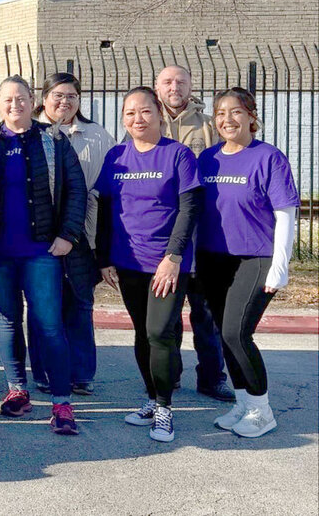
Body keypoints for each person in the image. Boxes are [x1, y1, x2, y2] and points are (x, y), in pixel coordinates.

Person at [0, 75, 91, 436]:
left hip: (42, 251)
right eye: (7, 100)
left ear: (33, 101)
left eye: (21, 98)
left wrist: (68, 234)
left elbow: (76, 189)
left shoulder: (53, 139)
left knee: (49, 324)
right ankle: (17, 391)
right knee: (8, 320)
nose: (15, 105)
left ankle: (61, 403)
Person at [96, 86, 201, 443]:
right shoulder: (116, 156)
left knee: (159, 332)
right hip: (128, 262)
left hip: (167, 263)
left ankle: (165, 408)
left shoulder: (178, 155)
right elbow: (107, 211)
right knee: (142, 332)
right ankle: (153, 399)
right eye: (130, 113)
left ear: (158, 114)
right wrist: (104, 259)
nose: (137, 119)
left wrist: (174, 257)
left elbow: (189, 209)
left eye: (144, 111)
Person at [196, 88, 299, 438]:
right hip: (213, 259)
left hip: (256, 257)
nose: (227, 119)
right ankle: (243, 403)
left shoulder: (268, 157)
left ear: (252, 116)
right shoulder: (208, 159)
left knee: (236, 332)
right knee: (224, 335)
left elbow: (285, 213)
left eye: (236, 112)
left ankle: (262, 410)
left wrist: (280, 265)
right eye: (220, 113)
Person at [28, 72, 116, 395]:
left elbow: (107, 191)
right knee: (42, 306)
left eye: (72, 96)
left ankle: (81, 373)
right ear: (44, 98)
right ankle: (43, 371)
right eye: (58, 95)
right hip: (40, 234)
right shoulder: (29, 132)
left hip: (83, 235)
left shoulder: (97, 136)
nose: (64, 102)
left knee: (80, 304)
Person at [155, 65, 233, 402]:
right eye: (168, 82)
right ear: (157, 87)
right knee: (167, 313)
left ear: (190, 86)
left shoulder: (208, 125)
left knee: (206, 312)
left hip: (203, 232)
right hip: (161, 232)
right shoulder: (146, 120)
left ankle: (212, 378)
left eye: (181, 81)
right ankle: (169, 375)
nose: (174, 87)